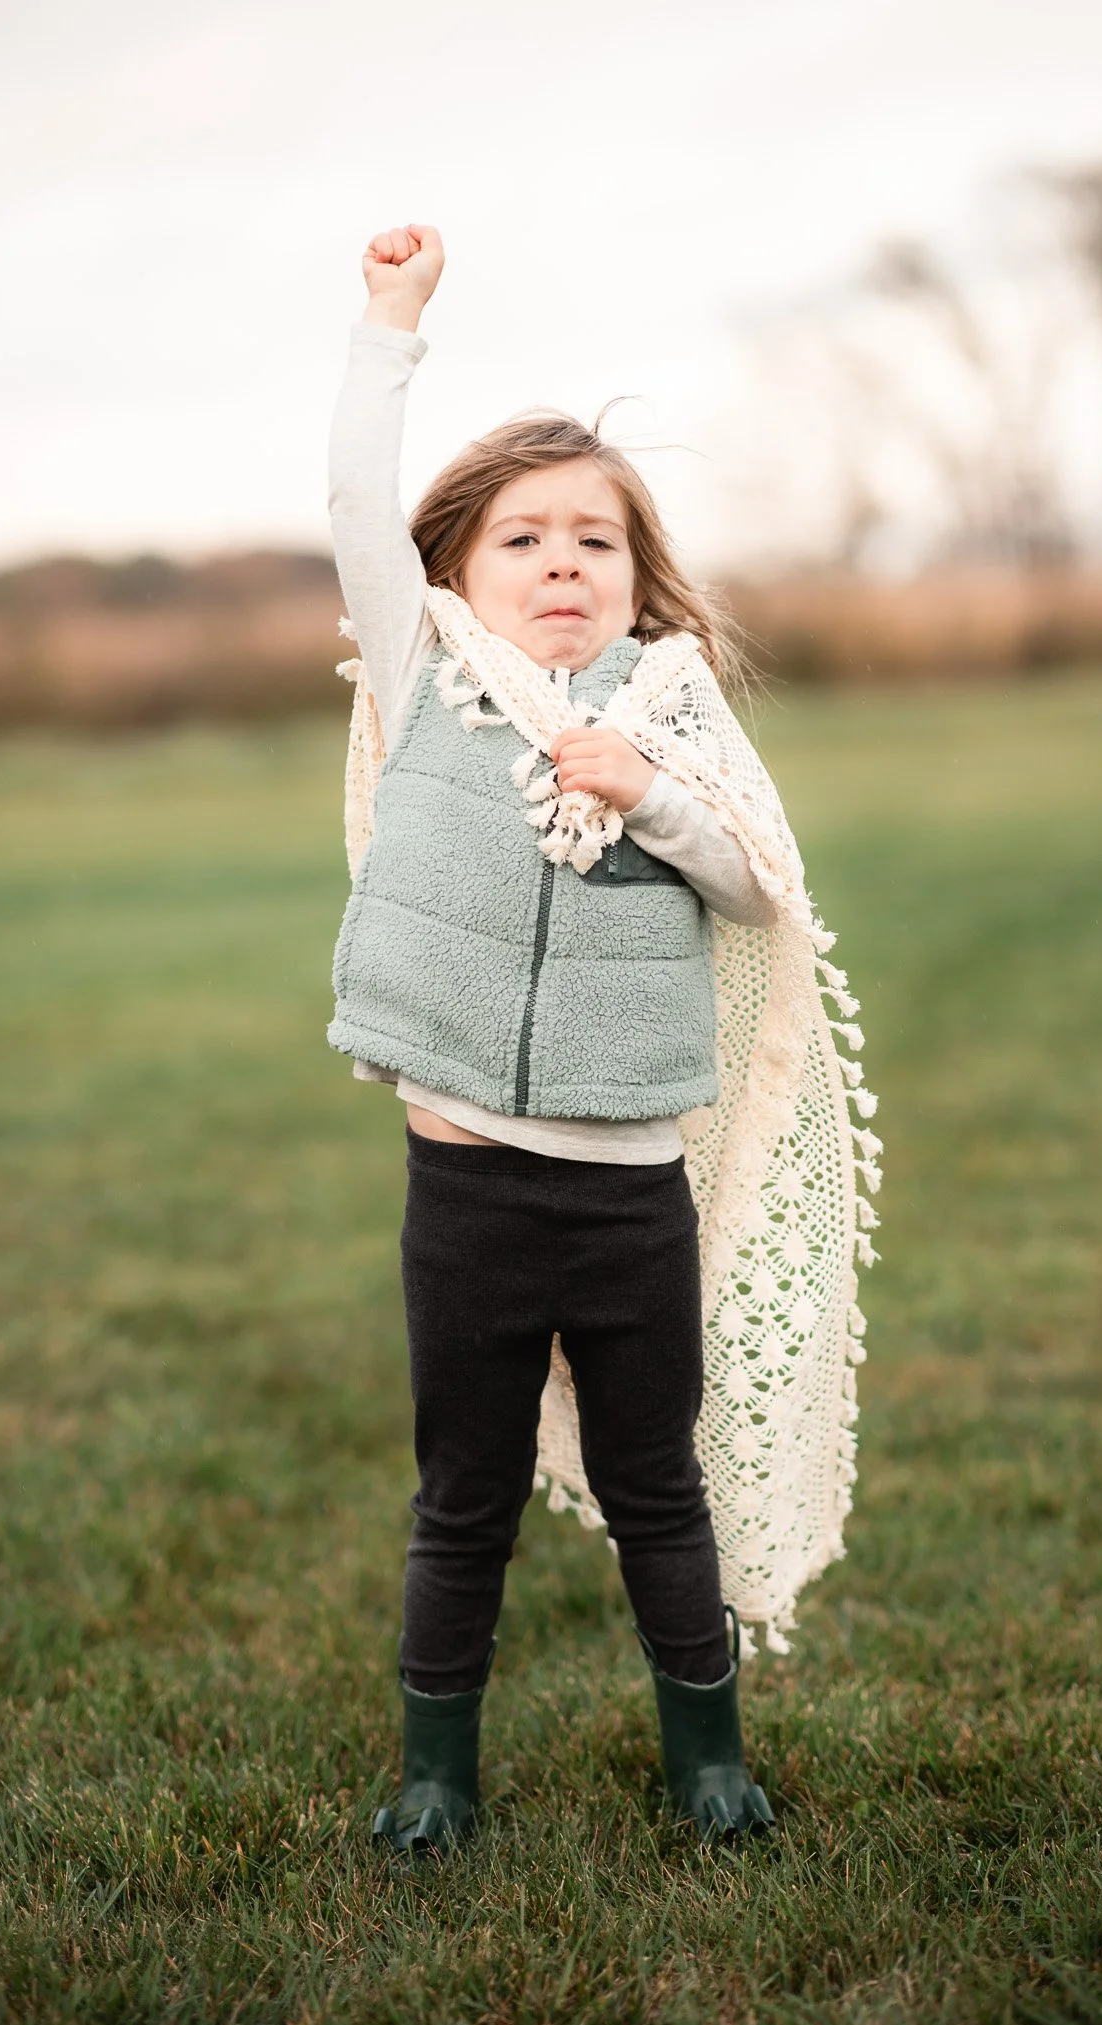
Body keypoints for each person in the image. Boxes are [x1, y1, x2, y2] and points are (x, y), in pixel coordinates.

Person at [327, 222, 786, 1855]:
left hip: (625, 1195)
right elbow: (349, 506)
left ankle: (708, 1757)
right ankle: (436, 1775)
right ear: (458, 569)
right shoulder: (425, 673)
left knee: (660, 1489)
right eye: (523, 537)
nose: (562, 560)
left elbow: (756, 888)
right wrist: (392, 322)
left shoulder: (672, 713)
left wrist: (648, 794)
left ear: (636, 572)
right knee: (462, 1502)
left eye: (595, 537)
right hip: (466, 1198)